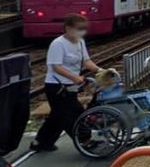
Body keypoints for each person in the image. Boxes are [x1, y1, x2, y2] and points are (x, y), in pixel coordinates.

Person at [32, 14, 101, 152]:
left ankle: (40, 142)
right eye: (79, 29)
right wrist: (74, 76)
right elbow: (56, 66)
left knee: (57, 116)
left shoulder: (80, 42)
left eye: (84, 29)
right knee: (73, 113)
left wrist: (100, 70)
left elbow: (86, 61)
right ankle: (84, 141)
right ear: (68, 28)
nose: (82, 32)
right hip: (57, 86)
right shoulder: (58, 44)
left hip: (71, 86)